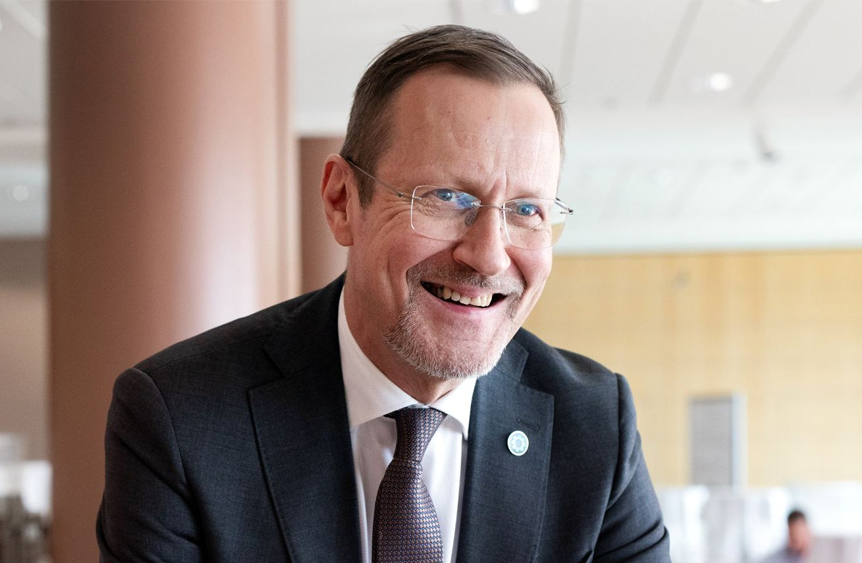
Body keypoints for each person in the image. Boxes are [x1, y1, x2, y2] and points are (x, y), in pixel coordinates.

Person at [97, 25, 669, 562]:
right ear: (342, 202)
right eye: (446, 197)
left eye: (526, 210)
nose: (489, 256)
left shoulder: (595, 425)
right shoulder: (181, 417)